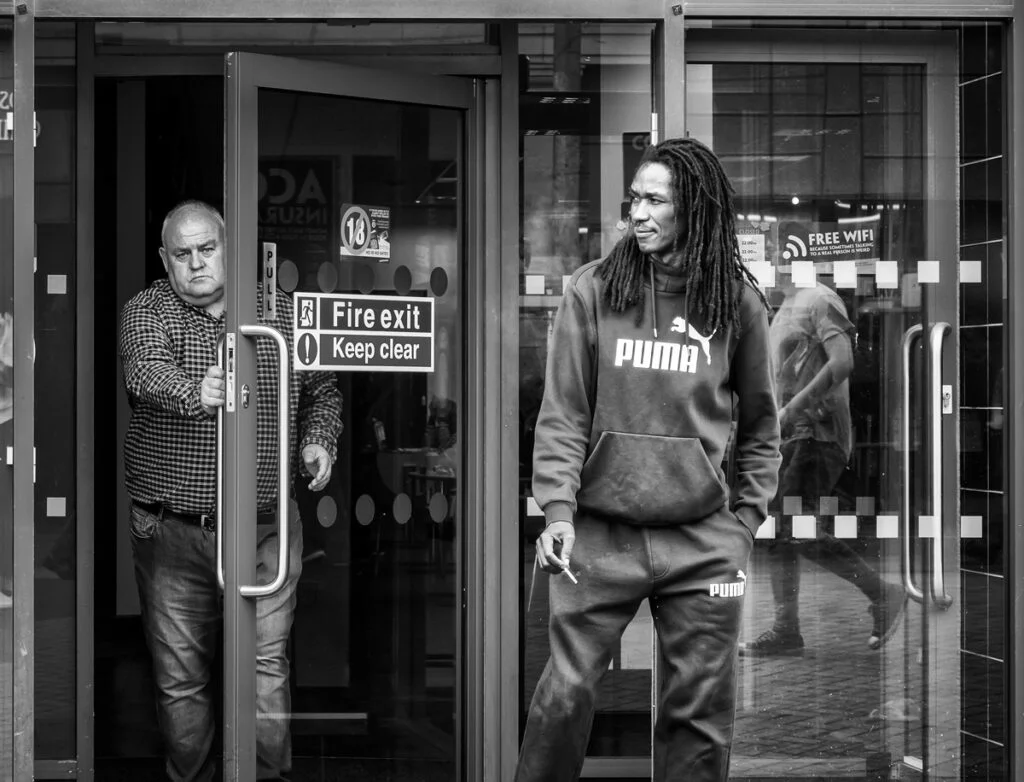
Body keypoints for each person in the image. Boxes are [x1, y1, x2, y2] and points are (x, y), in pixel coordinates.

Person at [516, 137, 782, 782]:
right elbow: (564, 416)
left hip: (702, 542)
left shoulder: (735, 304)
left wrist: (740, 525)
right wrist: (557, 511)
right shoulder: (593, 292)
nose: (637, 212)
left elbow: (761, 425)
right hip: (600, 536)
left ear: (693, 209)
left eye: (654, 200)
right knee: (563, 697)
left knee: (699, 716)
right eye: (633, 198)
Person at [118, 200, 344, 782]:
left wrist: (318, 441)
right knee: (180, 680)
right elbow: (146, 374)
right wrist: (200, 389)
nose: (196, 264)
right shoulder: (147, 309)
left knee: (265, 670)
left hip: (265, 525)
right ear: (164, 259)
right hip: (173, 530)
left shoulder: (282, 312)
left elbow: (324, 386)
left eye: (207, 249)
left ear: (229, 246)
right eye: (182, 254)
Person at [740, 276, 905, 657]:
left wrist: (790, 410)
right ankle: (786, 631)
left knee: (793, 528)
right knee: (781, 531)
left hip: (816, 434)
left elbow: (843, 362)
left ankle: (883, 594)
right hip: (792, 436)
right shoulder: (781, 306)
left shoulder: (819, 298)